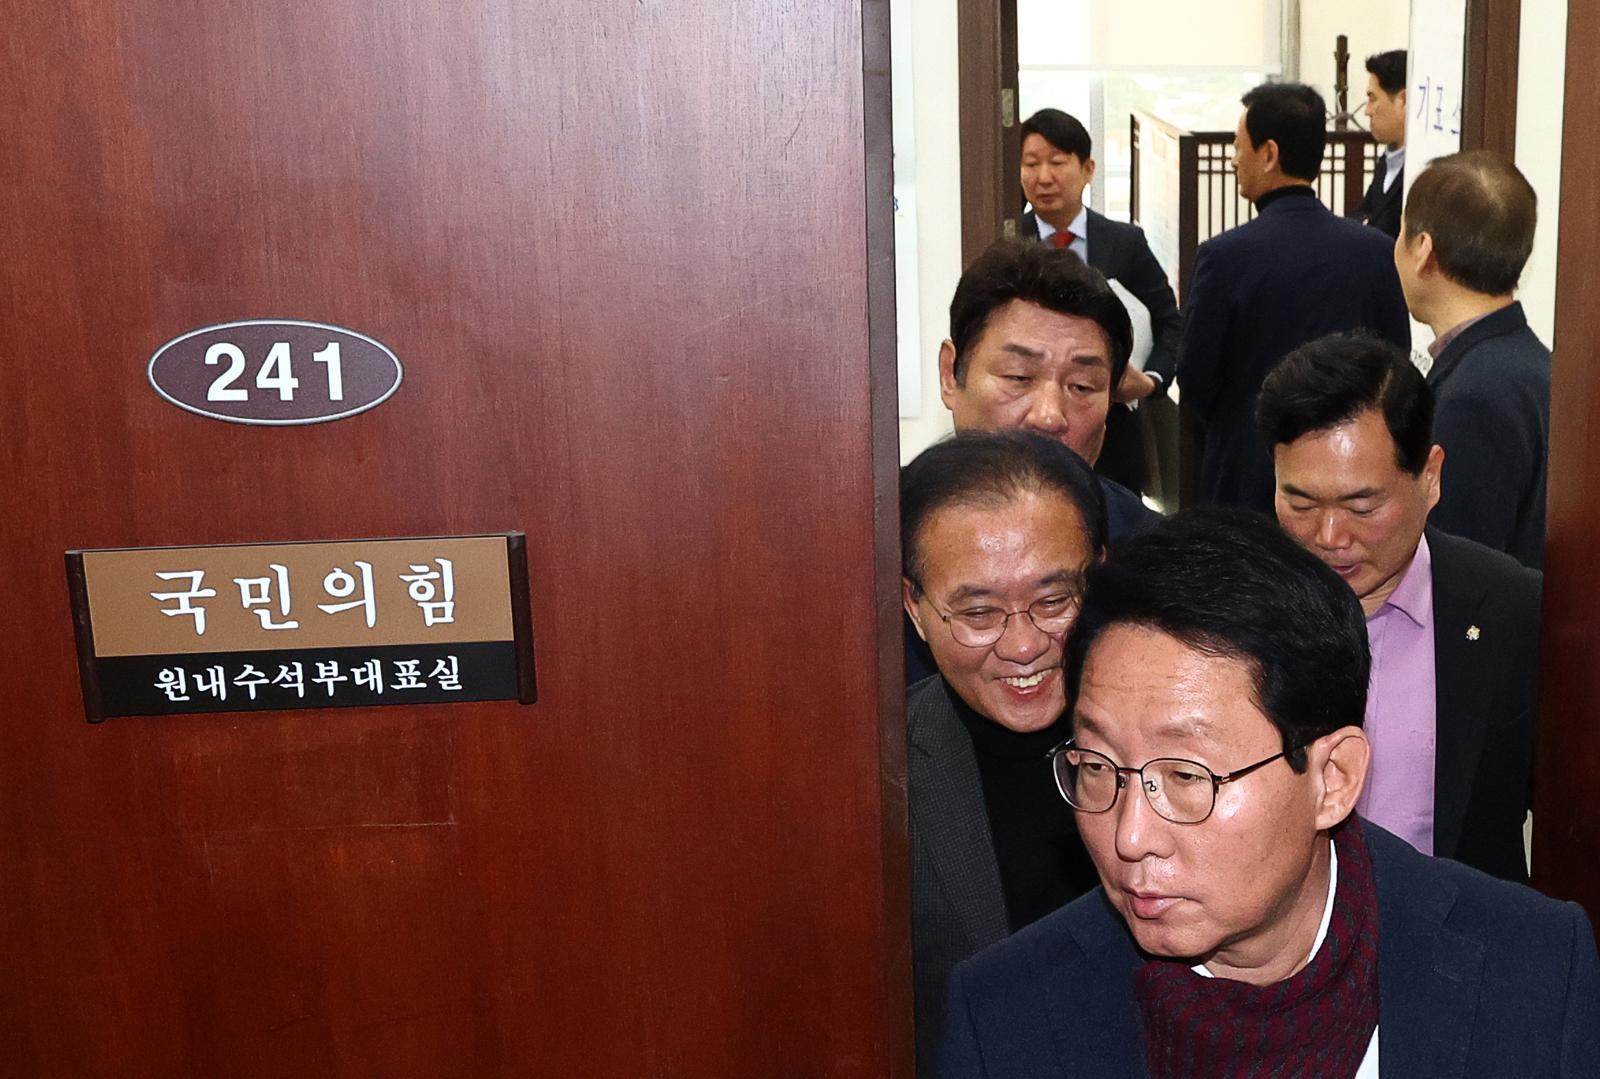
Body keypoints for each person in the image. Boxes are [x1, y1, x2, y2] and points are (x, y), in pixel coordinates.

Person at [937, 510, 1599, 1078]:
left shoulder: (1531, 969)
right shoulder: (1006, 1016)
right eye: (1099, 767)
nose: (1130, 836)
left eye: (1187, 777)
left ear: (1333, 778)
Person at [1257, 333, 1541, 882]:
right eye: (1301, 503)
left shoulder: (1511, 609)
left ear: (1430, 478)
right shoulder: (1233, 613)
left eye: (1362, 506)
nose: (1330, 536)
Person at [900, 430, 1107, 1073]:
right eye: (979, 613)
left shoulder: (1186, 743)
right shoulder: (874, 771)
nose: (1023, 645)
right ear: (915, 607)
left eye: (1054, 601)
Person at [908, 239, 1159, 684]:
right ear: (950, 373)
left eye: (1082, 386)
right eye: (1018, 377)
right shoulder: (868, 543)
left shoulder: (1154, 557)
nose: (1049, 416)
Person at [1176, 82, 1410, 511]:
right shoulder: (1376, 251)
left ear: (1269, 154)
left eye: (1238, 146)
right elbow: (1397, 362)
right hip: (1351, 477)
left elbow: (1195, 379)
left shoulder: (1224, 257)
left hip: (1248, 477)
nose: (1233, 159)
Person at [1396, 150, 1550, 569]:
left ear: (1423, 249)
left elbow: (1459, 568)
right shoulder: (1529, 361)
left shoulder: (1473, 396)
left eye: (1400, 232)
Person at [1018, 108, 1182, 496]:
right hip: (1029, 433)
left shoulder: (1124, 243)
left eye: (1057, 162)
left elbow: (1171, 321)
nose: (1043, 177)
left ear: (1088, 169)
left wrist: (1151, 381)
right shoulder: (1007, 239)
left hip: (1113, 436)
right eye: (1031, 164)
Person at [1350, 50, 1407, 238]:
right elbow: (1360, 214)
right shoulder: (1387, 159)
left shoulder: (1422, 168)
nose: (1367, 111)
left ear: (1403, 100)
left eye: (1372, 98)